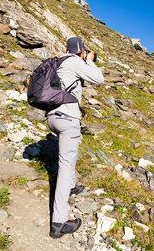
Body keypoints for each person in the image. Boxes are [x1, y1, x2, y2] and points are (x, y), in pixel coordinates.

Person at [47, 37, 104, 239]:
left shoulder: (58, 61)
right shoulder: (74, 61)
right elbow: (99, 78)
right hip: (68, 118)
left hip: (53, 117)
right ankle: (59, 223)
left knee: (68, 157)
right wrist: (89, 60)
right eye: (84, 51)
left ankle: (72, 186)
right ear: (80, 50)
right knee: (65, 165)